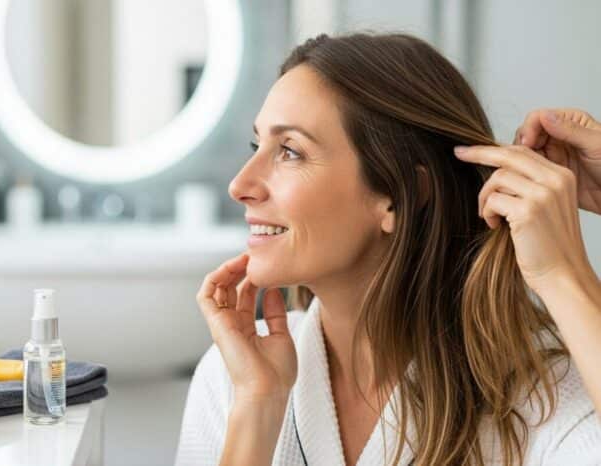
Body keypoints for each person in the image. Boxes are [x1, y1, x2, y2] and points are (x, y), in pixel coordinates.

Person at [174, 32, 601, 466]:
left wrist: (562, 275)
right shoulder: (239, 374)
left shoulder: (547, 397)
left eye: (289, 151)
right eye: (257, 145)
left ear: (401, 195)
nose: (240, 185)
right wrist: (258, 405)